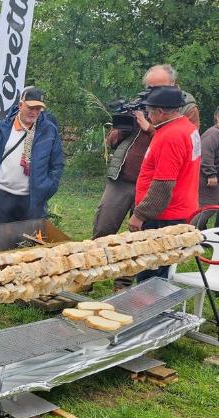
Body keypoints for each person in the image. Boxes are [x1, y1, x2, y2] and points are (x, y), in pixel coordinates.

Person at [93, 64, 200, 240]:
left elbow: (184, 147)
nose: (152, 92)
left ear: (173, 83)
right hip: (124, 176)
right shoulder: (140, 101)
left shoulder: (185, 107)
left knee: (144, 238)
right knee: (104, 227)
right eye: (149, 87)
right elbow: (111, 141)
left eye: (157, 87)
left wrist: (149, 128)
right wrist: (124, 127)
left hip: (156, 183)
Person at [128, 86, 201, 282]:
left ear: (160, 112)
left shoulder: (171, 136)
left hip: (163, 216)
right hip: (178, 210)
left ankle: (150, 311)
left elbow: (162, 185)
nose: (148, 116)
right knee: (162, 267)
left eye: (150, 112)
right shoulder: (188, 128)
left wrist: (139, 215)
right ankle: (157, 307)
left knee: (151, 271)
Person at [0, 87, 64, 224]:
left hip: (33, 201)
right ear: (20, 105)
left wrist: (47, 189)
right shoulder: (1, 129)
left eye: (38, 108)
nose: (34, 112)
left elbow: (57, 164)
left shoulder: (49, 130)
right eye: (31, 108)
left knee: (30, 243)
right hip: (2, 196)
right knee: (2, 243)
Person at [198, 106, 219, 208]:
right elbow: (206, 154)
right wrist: (211, 174)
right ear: (218, 118)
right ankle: (195, 224)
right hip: (209, 180)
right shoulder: (212, 133)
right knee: (206, 209)